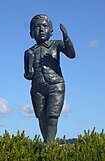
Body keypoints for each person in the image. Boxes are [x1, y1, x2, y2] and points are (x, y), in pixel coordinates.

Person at [24, 14, 75, 143]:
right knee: (41, 117)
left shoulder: (56, 44)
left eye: (45, 26)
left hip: (55, 85)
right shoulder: (29, 52)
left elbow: (71, 54)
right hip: (37, 87)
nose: (41, 29)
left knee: (52, 116)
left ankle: (48, 146)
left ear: (51, 32)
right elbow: (28, 75)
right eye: (37, 27)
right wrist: (29, 68)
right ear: (31, 33)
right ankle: (47, 143)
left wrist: (66, 38)